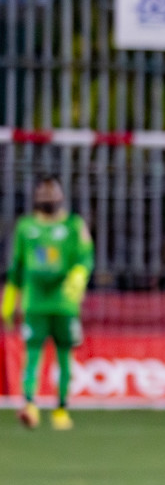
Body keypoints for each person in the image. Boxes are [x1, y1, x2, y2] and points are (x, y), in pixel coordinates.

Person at [4, 175, 93, 431]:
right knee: (32, 355)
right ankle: (30, 404)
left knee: (65, 357)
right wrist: (10, 298)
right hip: (35, 304)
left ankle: (61, 408)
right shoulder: (26, 227)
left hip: (65, 304)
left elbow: (86, 257)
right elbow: (17, 267)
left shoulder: (74, 225)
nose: (48, 198)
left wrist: (78, 276)